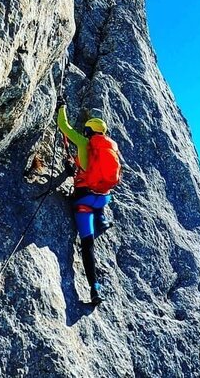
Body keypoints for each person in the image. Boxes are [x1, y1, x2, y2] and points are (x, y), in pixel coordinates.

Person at [56, 101, 122, 305]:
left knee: (87, 245)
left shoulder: (84, 144)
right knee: (100, 198)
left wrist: (61, 108)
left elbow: (64, 127)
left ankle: (94, 289)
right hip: (102, 197)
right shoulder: (110, 146)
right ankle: (101, 219)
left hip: (84, 199)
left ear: (87, 131)